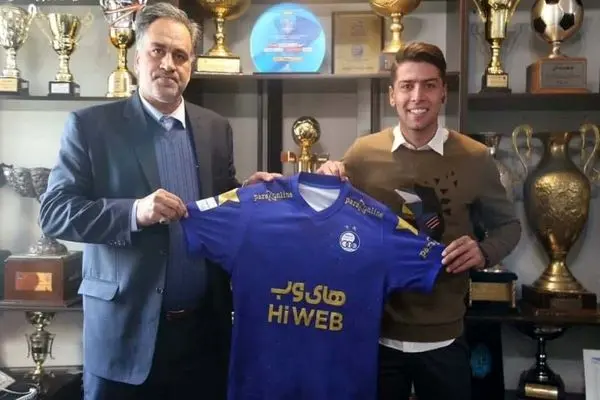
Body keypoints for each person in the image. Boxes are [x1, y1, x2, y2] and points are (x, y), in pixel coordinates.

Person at [38, 3, 279, 399]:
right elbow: (55, 213)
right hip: (124, 337)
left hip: (203, 335)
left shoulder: (215, 128)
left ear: (191, 65)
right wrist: (135, 212)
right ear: (137, 57)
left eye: (180, 55)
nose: (168, 64)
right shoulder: (91, 126)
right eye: (158, 51)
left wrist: (248, 193)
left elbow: (218, 205)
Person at [317, 42, 521, 400]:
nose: (417, 96)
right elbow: (332, 223)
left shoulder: (475, 157)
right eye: (407, 86)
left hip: (445, 337)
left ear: (443, 92)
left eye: (429, 85)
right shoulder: (363, 154)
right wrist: (325, 181)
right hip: (375, 335)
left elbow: (509, 227)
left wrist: (484, 251)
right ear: (392, 95)